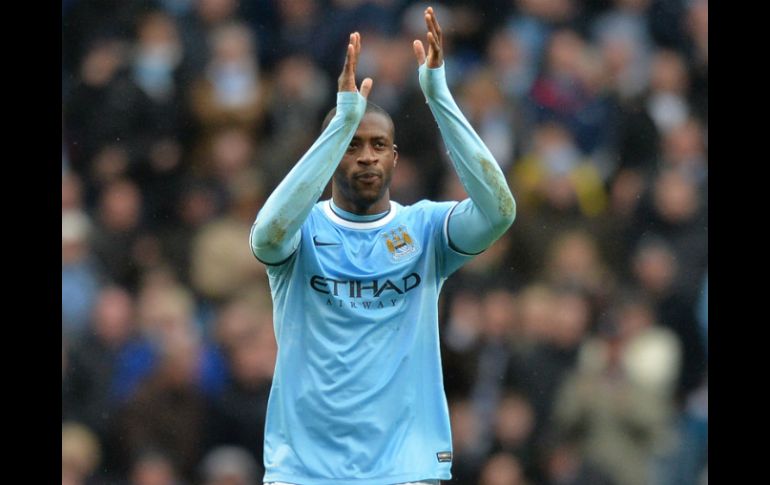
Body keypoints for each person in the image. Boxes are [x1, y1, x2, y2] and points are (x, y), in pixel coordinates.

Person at [249, 7, 516, 484]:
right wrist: (338, 126)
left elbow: (499, 211)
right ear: (331, 153)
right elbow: (264, 236)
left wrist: (438, 96)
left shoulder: (426, 229)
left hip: (404, 467)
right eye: (351, 145)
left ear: (394, 156)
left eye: (377, 145)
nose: (366, 157)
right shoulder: (300, 230)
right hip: (306, 470)